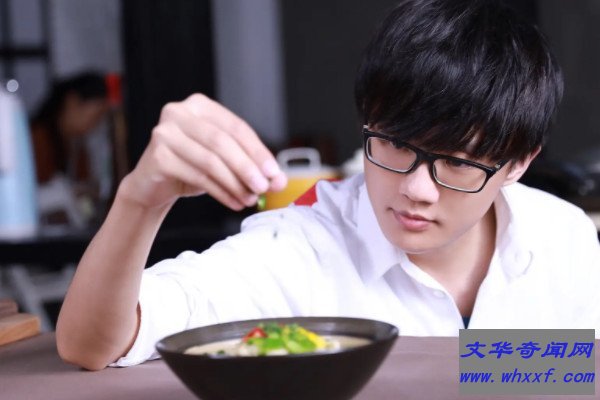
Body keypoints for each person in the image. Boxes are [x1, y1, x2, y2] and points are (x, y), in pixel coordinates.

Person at [56, 0, 600, 370]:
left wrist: (462, 370)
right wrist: (140, 199)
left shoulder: (561, 235)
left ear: (517, 164)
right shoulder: (302, 248)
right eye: (395, 144)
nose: (417, 189)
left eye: (458, 164)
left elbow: (583, 374)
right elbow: (92, 345)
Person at [30, 72, 109, 227]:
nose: (97, 123)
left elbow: (84, 189)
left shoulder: (78, 147)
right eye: (97, 115)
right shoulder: (37, 138)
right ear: (72, 102)